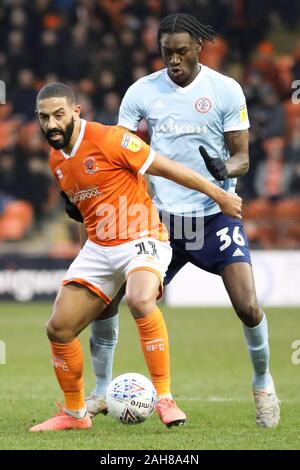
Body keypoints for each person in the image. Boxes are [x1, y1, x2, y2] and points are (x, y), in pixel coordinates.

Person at [87, 13, 280, 428]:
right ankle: (101, 391)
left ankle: (263, 385)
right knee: (108, 300)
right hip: (160, 223)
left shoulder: (225, 90)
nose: (173, 60)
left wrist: (223, 165)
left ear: (198, 48)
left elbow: (244, 159)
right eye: (166, 53)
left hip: (214, 217)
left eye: (181, 51)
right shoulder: (141, 92)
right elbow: (119, 153)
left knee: (247, 306)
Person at [30, 81, 241, 432]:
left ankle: (165, 398)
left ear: (76, 112)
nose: (51, 124)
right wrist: (88, 260)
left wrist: (218, 194)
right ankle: (75, 414)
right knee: (58, 328)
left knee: (140, 299)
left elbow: (167, 168)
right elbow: (87, 212)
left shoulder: (111, 139)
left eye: (58, 115)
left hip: (143, 237)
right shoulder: (57, 161)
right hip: (99, 248)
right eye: (44, 117)